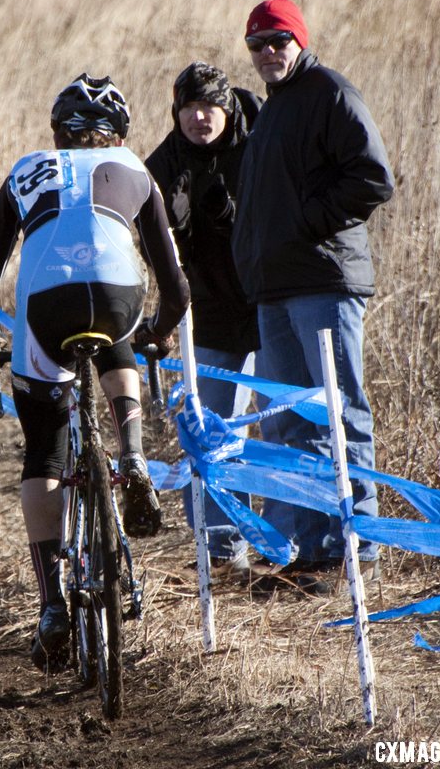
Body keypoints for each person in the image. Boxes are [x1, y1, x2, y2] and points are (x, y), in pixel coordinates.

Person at [0, 73, 189, 668]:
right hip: (118, 297)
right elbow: (177, 287)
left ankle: (50, 604)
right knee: (119, 334)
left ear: (58, 134)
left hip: (46, 307)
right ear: (119, 134)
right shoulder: (136, 169)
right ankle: (134, 454)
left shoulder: (26, 171)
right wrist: (158, 333)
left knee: (44, 451)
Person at [231, 0, 395, 595]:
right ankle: (313, 555)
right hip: (277, 288)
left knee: (337, 411)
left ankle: (356, 550)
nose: (268, 52)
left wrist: (307, 222)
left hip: (324, 282)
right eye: (257, 44)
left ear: (299, 40)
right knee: (292, 421)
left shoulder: (329, 92)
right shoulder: (273, 109)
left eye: (278, 40)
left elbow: (374, 177)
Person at [145, 61, 262, 582]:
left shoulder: (258, 141)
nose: (199, 117)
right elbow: (148, 242)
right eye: (188, 108)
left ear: (227, 107)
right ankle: (222, 550)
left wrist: (238, 215)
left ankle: (297, 546)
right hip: (209, 314)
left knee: (289, 427)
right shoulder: (164, 164)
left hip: (270, 302)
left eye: (208, 107)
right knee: (213, 433)